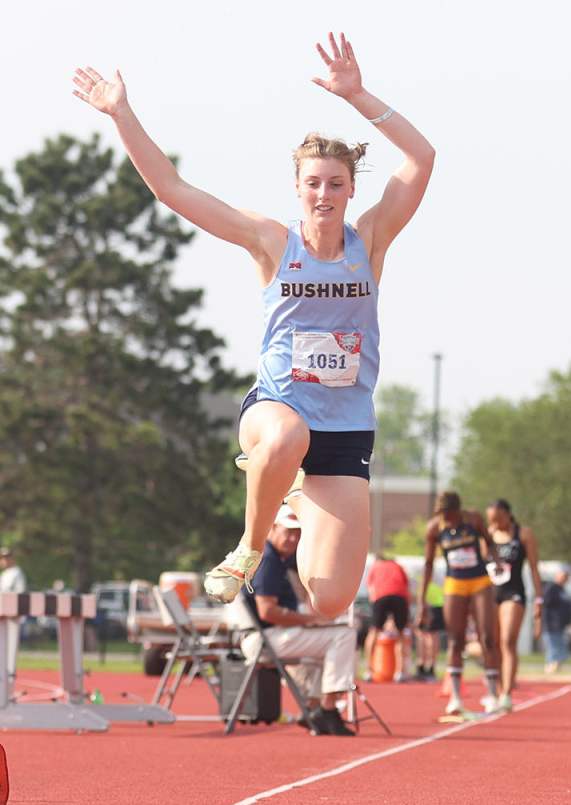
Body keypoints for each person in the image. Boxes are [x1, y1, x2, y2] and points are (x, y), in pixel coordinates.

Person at [73, 33, 435, 621]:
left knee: (331, 599)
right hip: (275, 408)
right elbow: (172, 189)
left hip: (345, 425)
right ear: (297, 187)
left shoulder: (369, 241)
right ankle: (250, 542)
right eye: (313, 183)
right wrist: (122, 113)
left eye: (336, 183)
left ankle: (291, 488)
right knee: (288, 437)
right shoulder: (272, 242)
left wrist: (358, 94)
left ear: (351, 190)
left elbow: (422, 159)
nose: (324, 193)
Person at [240, 505, 358, 736]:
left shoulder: (278, 557)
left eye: (297, 533)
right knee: (344, 635)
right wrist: (310, 620)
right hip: (265, 639)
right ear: (272, 529)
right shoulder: (268, 561)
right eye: (288, 531)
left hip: (268, 636)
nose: (294, 538)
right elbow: (267, 612)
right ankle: (327, 708)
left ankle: (313, 708)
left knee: (332, 639)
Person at [419, 490, 501, 715]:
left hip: (479, 582)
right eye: (444, 515)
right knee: (455, 640)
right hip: (454, 583)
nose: (449, 519)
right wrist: (421, 601)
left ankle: (493, 694)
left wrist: (497, 561)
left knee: (487, 637)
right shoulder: (434, 528)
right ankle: (455, 697)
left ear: (458, 510)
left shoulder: (473, 518)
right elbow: (428, 565)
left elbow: (489, 541)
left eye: (451, 514)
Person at [485, 499, 544, 712]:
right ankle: (498, 689)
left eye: (499, 519)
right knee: (492, 642)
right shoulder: (488, 536)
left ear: (508, 515)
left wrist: (539, 599)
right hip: (491, 593)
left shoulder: (524, 533)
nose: (496, 523)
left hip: (513, 592)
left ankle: (507, 693)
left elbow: (535, 568)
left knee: (507, 640)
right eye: (492, 520)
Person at [362, 553, 411, 682]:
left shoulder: (376, 567)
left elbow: (371, 590)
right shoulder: (397, 566)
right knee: (400, 633)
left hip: (382, 596)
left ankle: (368, 670)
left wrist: (377, 611)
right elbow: (406, 585)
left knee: (374, 631)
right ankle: (400, 672)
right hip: (400, 597)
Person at [0, 547, 28, 676]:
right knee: (1, 645)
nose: (4, 560)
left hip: (13, 614)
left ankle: (10, 672)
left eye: (7, 557)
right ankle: (2, 670)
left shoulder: (16, 572)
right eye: (2, 558)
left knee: (11, 644)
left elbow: (20, 593)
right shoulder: (4, 574)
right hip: (2, 614)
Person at [540, 567, 571, 675]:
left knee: (561, 651)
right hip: (552, 625)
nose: (565, 578)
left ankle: (556, 671)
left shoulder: (563, 591)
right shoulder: (551, 588)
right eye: (563, 575)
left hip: (561, 626)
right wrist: (539, 623)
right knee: (554, 649)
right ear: (557, 576)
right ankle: (550, 670)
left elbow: (568, 610)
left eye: (566, 577)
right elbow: (544, 605)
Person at [414, 570, 445, 683]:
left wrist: (420, 611)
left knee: (430, 635)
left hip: (432, 606)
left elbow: (418, 596)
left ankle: (429, 667)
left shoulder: (422, 580)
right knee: (423, 634)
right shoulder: (432, 579)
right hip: (434, 605)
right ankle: (423, 665)